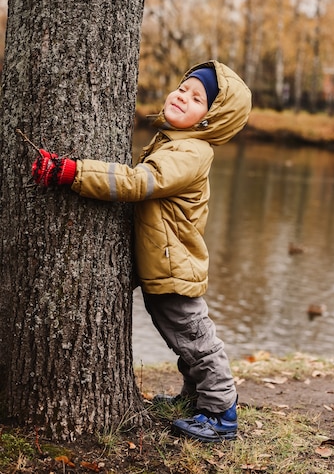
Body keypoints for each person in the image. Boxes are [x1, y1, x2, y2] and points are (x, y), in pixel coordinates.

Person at [31, 60, 252, 443]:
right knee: (182, 340)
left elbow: (137, 182)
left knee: (197, 340)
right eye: (183, 88)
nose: (183, 97)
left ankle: (221, 413)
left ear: (210, 120)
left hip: (174, 268)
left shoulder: (191, 153)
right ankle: (196, 397)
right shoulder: (175, 142)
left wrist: (74, 172)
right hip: (165, 263)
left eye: (197, 99)